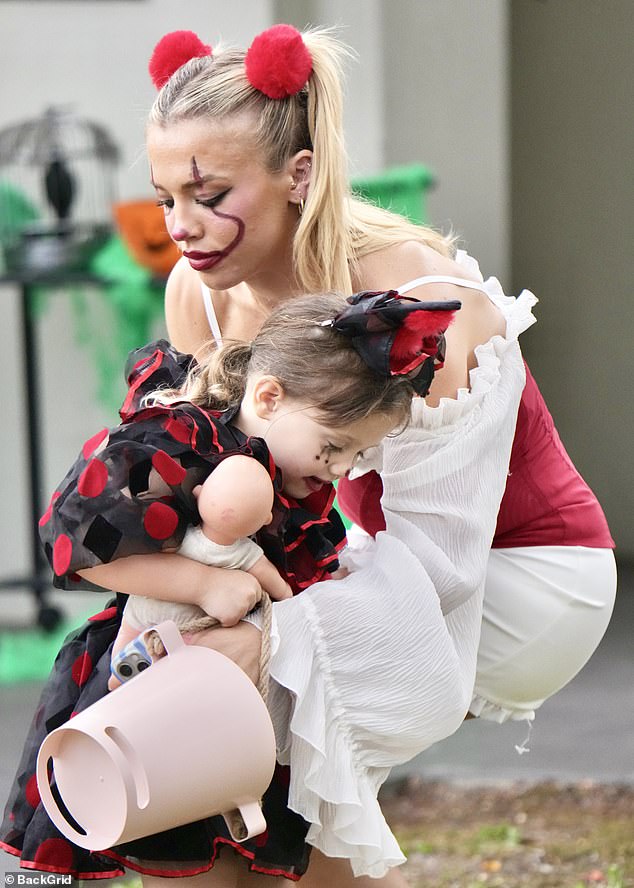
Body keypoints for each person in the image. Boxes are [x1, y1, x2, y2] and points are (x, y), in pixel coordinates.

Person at [1, 23, 615, 887]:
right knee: (175, 683)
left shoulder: (421, 302)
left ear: (297, 175)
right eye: (166, 196)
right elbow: (197, 497)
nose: (182, 226)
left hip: (513, 573)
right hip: (333, 556)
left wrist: (266, 634)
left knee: (263, 690)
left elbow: (441, 570)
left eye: (210, 194)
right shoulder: (198, 297)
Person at [0, 287, 457, 883]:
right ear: (269, 396)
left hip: (254, 704)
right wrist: (201, 581)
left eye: (359, 453)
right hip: (158, 684)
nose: (342, 469)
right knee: (186, 854)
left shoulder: (296, 479)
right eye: (335, 446)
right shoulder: (181, 444)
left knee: (272, 852)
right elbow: (80, 545)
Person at [109, 455, 293, 689]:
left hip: (143, 610)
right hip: (185, 626)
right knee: (173, 662)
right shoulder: (247, 553)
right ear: (266, 519)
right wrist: (288, 595)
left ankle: (119, 674)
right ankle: (126, 675)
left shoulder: (179, 535)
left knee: (129, 638)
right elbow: (275, 583)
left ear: (199, 491)